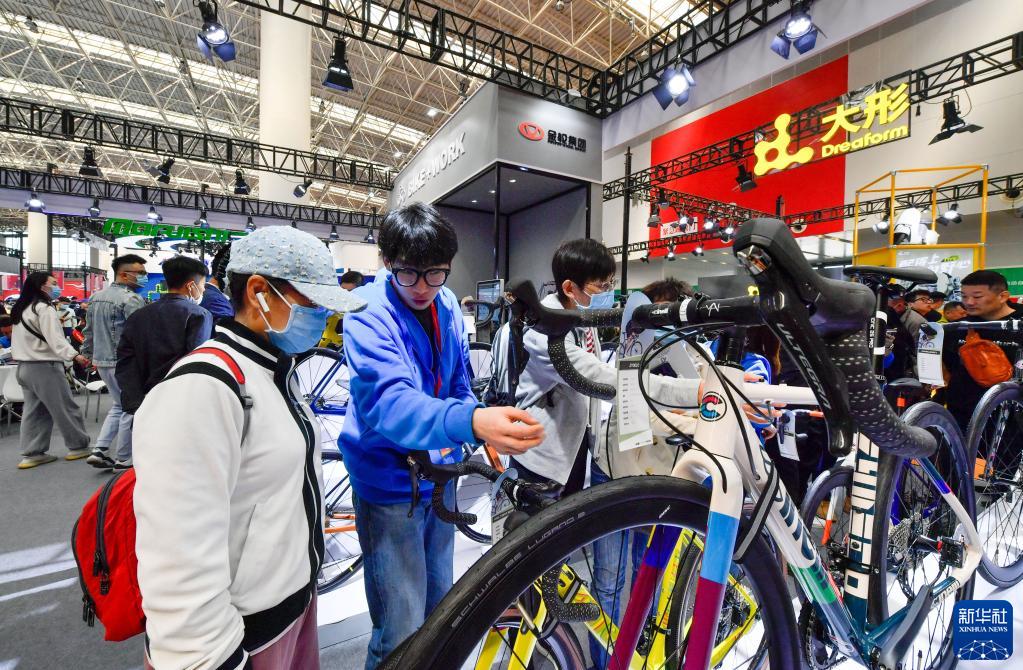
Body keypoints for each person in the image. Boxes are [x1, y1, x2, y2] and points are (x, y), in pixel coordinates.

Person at [133, 226, 366, 670]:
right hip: (240, 637)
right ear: (259, 291)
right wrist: (207, 658)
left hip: (289, 606)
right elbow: (176, 551)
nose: (321, 317)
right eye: (312, 303)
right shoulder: (202, 387)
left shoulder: (272, 371)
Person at [339, 202, 544, 669]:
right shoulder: (366, 312)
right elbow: (389, 404)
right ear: (386, 262)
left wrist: (475, 425)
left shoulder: (446, 302)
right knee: (399, 630)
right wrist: (471, 422)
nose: (423, 287)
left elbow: (456, 381)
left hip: (441, 475)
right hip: (389, 485)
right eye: (409, 273)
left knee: (440, 614)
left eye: (436, 273)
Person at [113, 256, 212, 471]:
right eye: (203, 285)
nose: (203, 290)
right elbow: (196, 362)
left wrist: (135, 402)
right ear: (191, 285)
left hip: (143, 402)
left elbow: (126, 360)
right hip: (180, 404)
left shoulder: (139, 315)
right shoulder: (199, 315)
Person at [10, 271, 92, 469]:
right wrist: (75, 355)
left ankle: (33, 452)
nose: (57, 287)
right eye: (53, 283)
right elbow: (55, 339)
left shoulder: (22, 308)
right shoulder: (44, 308)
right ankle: (79, 446)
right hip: (45, 366)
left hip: (24, 367)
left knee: (34, 412)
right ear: (42, 286)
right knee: (66, 408)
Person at [82, 254, 147, 470]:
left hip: (102, 361)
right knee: (131, 408)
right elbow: (140, 334)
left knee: (119, 405)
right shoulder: (131, 299)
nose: (144, 276)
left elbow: (88, 331)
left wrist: (88, 355)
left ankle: (100, 449)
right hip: (125, 363)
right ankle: (124, 458)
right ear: (124, 274)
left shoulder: (95, 297)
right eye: (140, 273)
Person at [941, 269, 1023, 431]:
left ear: (1003, 296)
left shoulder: (1019, 324)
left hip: (1013, 416)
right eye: (964, 296)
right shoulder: (957, 328)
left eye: (977, 297)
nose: (969, 302)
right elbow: (948, 366)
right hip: (963, 413)